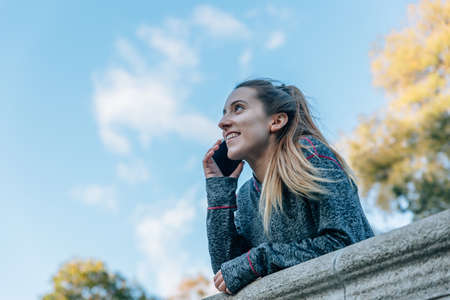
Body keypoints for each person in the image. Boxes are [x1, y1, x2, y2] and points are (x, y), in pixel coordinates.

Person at [202, 79, 374, 295]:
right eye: (224, 112)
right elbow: (228, 275)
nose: (222, 122)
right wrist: (219, 193)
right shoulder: (246, 195)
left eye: (238, 108)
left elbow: (348, 243)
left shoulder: (310, 156)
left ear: (276, 121)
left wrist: (261, 259)